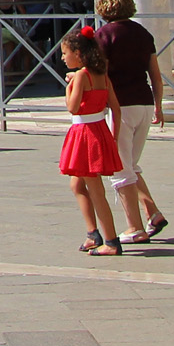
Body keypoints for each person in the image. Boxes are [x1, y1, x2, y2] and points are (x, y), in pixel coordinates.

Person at [89, 0, 169, 244]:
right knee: (130, 165)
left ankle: (134, 228)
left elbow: (102, 74)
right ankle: (152, 212)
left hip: (119, 106)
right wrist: (158, 105)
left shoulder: (104, 35)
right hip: (144, 104)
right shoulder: (144, 34)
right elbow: (155, 75)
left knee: (120, 169)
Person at [58, 30, 122, 255]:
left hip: (85, 133)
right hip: (99, 130)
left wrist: (69, 87)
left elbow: (73, 107)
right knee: (77, 184)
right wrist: (113, 135)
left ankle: (111, 241)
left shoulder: (82, 76)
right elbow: (115, 107)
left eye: (65, 53)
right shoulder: (101, 74)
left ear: (77, 53)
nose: (63, 58)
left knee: (95, 189)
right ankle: (92, 233)